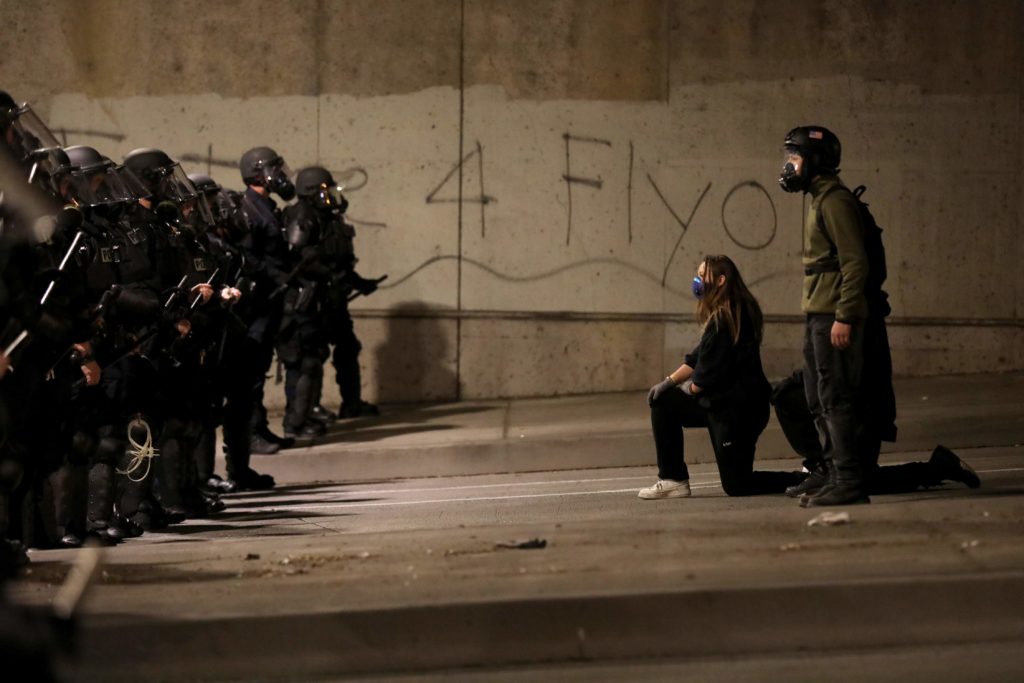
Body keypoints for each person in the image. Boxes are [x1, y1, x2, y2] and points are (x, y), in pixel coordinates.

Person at [642, 255, 803, 499]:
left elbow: (701, 380)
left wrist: (687, 389)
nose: (697, 280)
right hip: (721, 404)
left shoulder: (727, 319)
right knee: (663, 401)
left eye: (702, 274)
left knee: (738, 485)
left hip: (737, 411)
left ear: (720, 280)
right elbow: (696, 359)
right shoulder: (726, 313)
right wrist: (670, 382)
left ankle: (806, 478)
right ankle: (672, 479)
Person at [778, 125, 876, 507]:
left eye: (796, 157)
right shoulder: (818, 198)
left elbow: (855, 264)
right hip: (817, 311)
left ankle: (849, 479)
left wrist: (845, 315)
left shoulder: (834, 201)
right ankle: (833, 474)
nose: (790, 165)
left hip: (832, 314)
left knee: (836, 396)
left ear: (815, 160)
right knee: (817, 397)